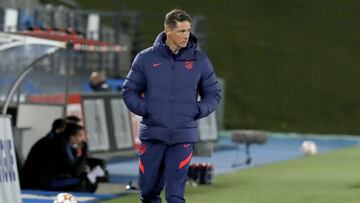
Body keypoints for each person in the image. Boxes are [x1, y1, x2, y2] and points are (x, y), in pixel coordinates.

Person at [122, 9, 221, 203]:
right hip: (152, 136)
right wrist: (147, 109)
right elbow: (129, 91)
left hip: (183, 137)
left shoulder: (200, 61)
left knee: (175, 196)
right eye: (182, 31)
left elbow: (214, 94)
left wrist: (198, 110)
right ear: (167, 30)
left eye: (188, 30)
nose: (187, 36)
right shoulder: (145, 59)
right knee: (149, 193)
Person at [20, 118, 66, 189]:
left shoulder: (47, 141)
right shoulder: (50, 144)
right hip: (36, 182)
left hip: (34, 180)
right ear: (58, 130)